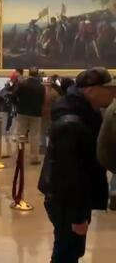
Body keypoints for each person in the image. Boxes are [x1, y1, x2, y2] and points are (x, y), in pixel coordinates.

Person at [38, 68, 116, 263]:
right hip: (67, 202)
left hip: (71, 198)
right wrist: (78, 216)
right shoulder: (72, 123)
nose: (113, 93)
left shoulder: (84, 113)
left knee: (71, 250)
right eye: (109, 89)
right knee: (67, 252)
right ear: (90, 90)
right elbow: (70, 174)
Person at [14, 67, 46, 165]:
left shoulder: (22, 84)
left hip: (22, 112)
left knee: (20, 134)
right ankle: (34, 158)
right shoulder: (41, 87)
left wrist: (18, 105)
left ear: (29, 73)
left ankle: (19, 156)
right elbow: (42, 100)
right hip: (36, 113)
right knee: (35, 135)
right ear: (37, 74)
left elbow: (14, 95)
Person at [41, 76, 60, 154]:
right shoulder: (55, 92)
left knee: (42, 131)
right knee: (50, 131)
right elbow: (58, 103)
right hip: (52, 113)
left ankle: (43, 147)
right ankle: (50, 147)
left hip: (42, 113)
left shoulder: (41, 92)